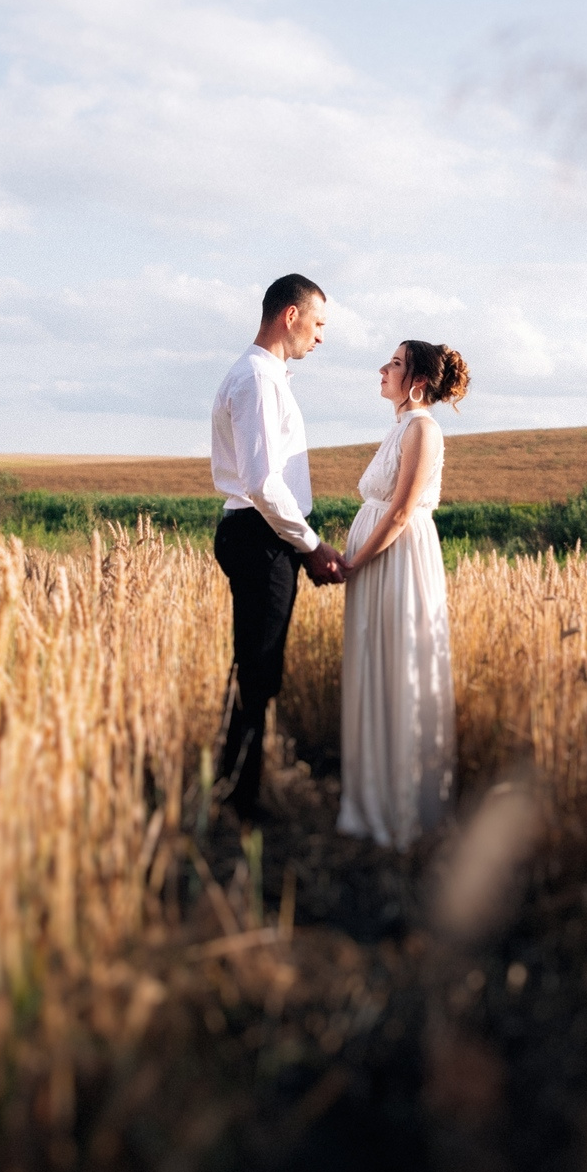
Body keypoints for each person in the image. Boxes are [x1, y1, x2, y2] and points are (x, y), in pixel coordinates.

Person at [208, 274, 346, 822]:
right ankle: (239, 805)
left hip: (262, 533)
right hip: (261, 535)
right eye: (317, 324)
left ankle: (231, 789)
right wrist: (310, 546)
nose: (319, 337)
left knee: (255, 666)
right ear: (290, 316)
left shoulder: (264, 376)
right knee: (258, 670)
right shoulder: (259, 380)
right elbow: (263, 483)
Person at [336, 338, 468, 849]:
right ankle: (372, 798)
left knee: (400, 665)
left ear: (416, 380)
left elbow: (400, 511)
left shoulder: (423, 429)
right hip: (378, 560)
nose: (382, 370)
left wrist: (355, 562)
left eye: (393, 363)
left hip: (397, 560)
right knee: (377, 662)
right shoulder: (400, 427)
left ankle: (401, 805)